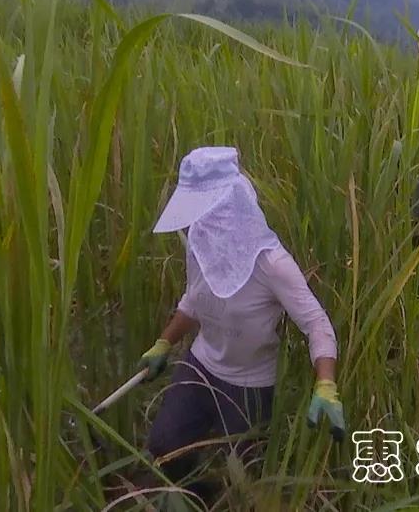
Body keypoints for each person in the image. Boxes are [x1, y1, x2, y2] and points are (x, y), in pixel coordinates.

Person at [137, 147, 345, 498]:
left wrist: (326, 384)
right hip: (201, 367)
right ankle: (197, 498)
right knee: (164, 448)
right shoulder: (201, 244)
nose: (198, 221)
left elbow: (316, 323)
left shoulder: (272, 264)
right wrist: (164, 343)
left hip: (249, 386)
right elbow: (194, 300)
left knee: (245, 480)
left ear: (229, 204)